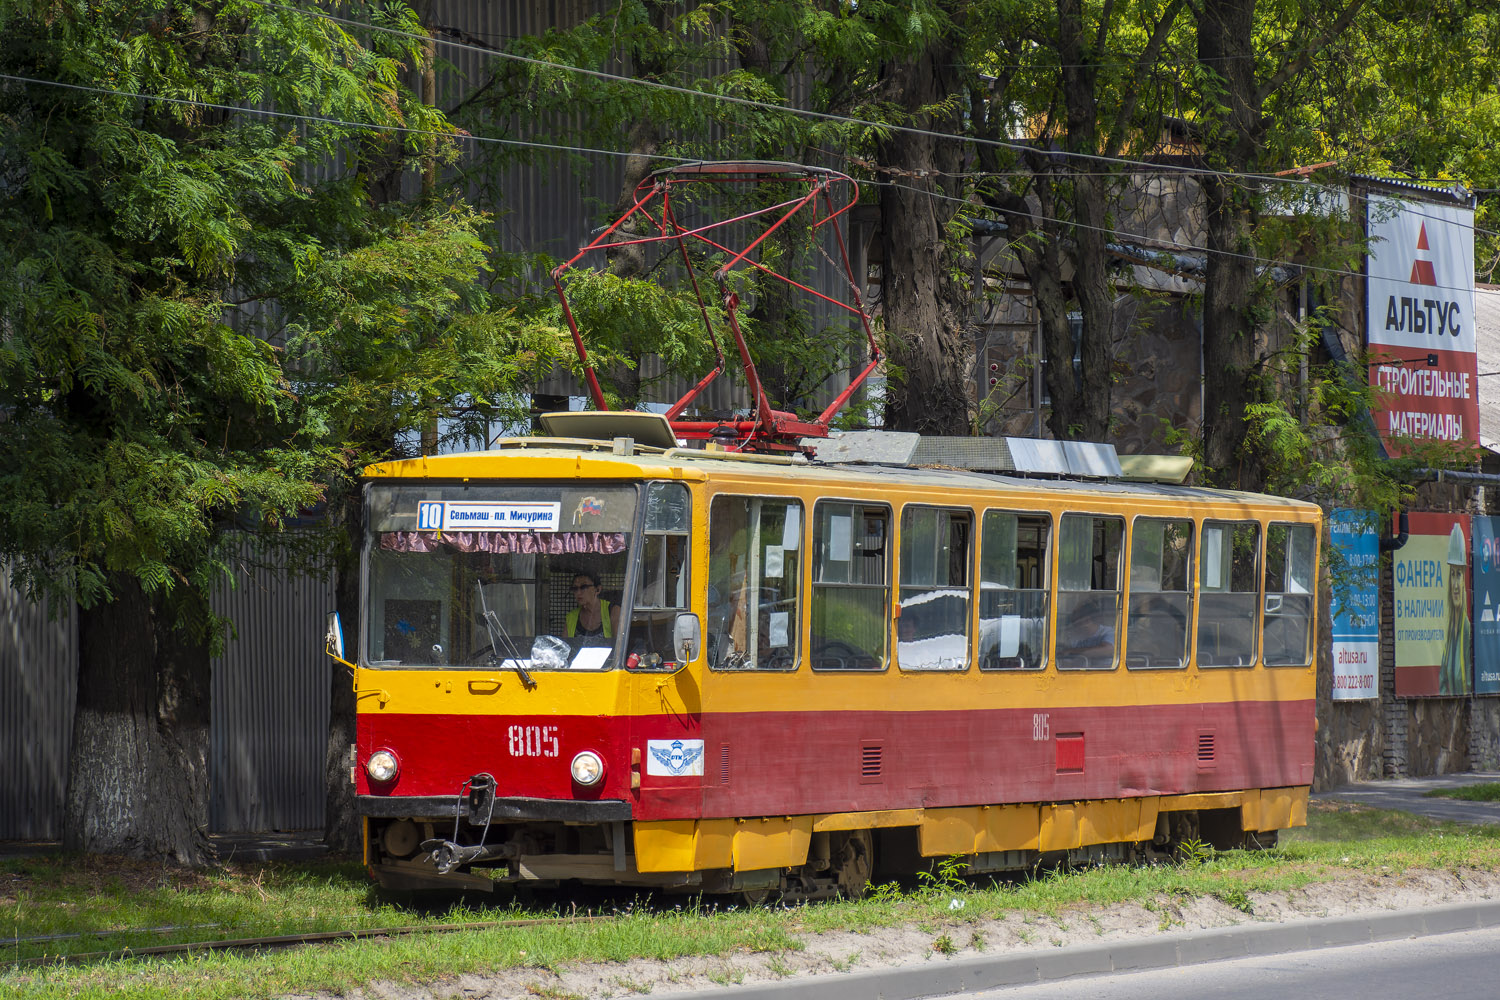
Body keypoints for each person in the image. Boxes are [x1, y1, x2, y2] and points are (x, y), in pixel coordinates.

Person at [1440, 523, 1472, 695]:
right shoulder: (1450, 627)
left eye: (1458, 574)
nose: (1455, 585)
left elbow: (1467, 681)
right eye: (1452, 574)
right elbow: (1442, 681)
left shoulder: (1466, 628)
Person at [566, 571, 620, 642]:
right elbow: (564, 648)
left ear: (598, 590)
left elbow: (619, 644)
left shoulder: (613, 610)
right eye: (575, 588)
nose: (578, 592)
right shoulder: (571, 617)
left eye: (584, 587)